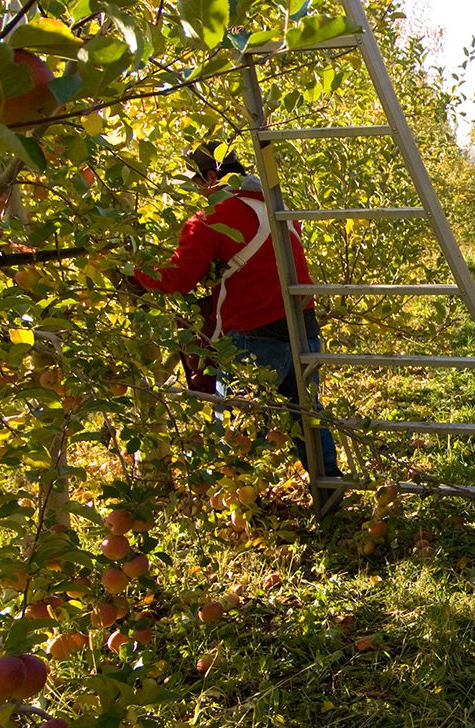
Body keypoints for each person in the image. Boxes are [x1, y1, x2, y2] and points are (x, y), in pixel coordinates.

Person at [135, 143, 342, 511]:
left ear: (212, 178)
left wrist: (133, 270)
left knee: (237, 429)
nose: (197, 193)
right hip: (303, 325)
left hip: (255, 332)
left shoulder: (212, 218)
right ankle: (330, 495)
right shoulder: (279, 210)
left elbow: (177, 278)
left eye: (197, 184)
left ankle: (241, 512)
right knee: (307, 416)